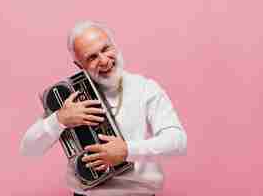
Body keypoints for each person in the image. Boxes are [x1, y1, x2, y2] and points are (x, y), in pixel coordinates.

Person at [20, 20, 187, 196]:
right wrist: (59, 120)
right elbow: (29, 150)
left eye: (106, 49)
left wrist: (128, 151)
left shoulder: (145, 88)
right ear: (79, 66)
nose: (104, 60)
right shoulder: (68, 99)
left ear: (115, 46)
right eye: (92, 57)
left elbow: (177, 142)